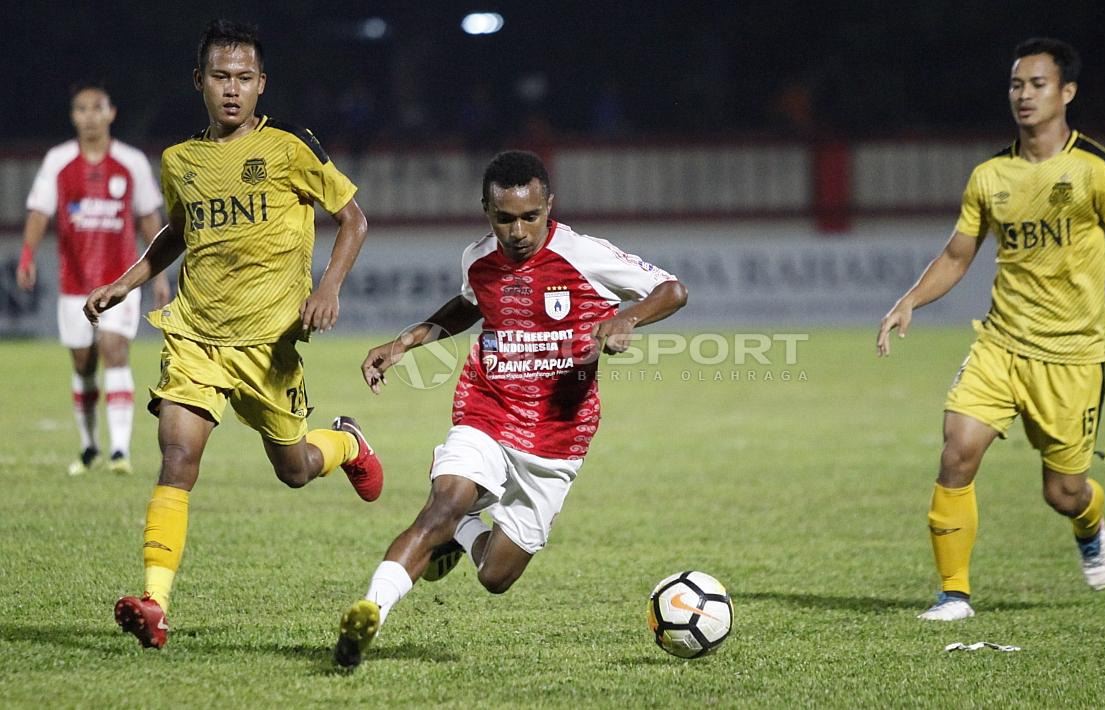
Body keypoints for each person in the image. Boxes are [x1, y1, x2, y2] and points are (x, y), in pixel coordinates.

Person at [83, 19, 383, 649]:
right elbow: (178, 231)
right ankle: (156, 603)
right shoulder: (181, 161)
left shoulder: (289, 148)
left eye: (244, 78)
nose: (232, 89)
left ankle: (348, 445)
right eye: (220, 76)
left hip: (270, 345)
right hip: (196, 334)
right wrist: (129, 280)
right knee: (178, 455)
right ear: (200, 81)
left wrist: (326, 289)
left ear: (261, 85)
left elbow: (352, 219)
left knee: (296, 468)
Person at [333, 150, 688, 668]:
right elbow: (469, 304)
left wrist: (627, 319)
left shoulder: (583, 255)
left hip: (557, 436)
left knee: (496, 576)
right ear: (486, 211)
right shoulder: (478, 258)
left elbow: (672, 290)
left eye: (529, 216)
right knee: (441, 506)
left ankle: (464, 532)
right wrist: (405, 342)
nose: (517, 230)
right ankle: (369, 612)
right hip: (488, 408)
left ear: (549, 207)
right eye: (504, 218)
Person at [876, 38, 1105, 621]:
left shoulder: (1097, 168)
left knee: (1062, 492)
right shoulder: (990, 175)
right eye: (1017, 84)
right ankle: (954, 595)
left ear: (1066, 92)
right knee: (958, 451)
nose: (1024, 95)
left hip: (1072, 356)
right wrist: (908, 300)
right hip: (1000, 344)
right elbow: (957, 256)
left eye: (1037, 84)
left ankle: (1089, 522)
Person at [18, 83, 171, 476]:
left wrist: (157, 274)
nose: (89, 116)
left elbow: (150, 219)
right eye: (81, 109)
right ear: (73, 116)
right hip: (74, 284)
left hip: (120, 283)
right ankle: (89, 447)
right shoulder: (58, 161)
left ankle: (120, 451)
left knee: (115, 350)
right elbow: (38, 212)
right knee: (83, 365)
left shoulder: (131, 162)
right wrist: (27, 255)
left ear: (111, 113)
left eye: (96, 108)